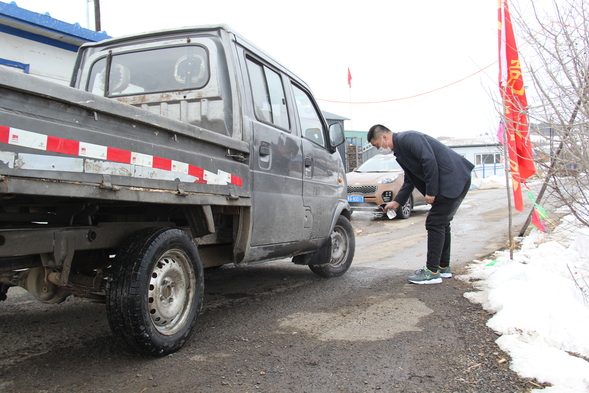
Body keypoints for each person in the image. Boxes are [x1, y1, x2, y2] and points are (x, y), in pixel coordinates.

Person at [367, 124, 474, 284]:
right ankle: (442, 268)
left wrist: (431, 191)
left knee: (435, 222)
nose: (379, 149)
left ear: (384, 137)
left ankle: (432, 271)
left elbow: (428, 160)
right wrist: (397, 202)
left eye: (377, 145)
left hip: (453, 179)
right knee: (442, 223)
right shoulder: (400, 151)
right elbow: (410, 179)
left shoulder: (408, 138)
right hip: (454, 180)